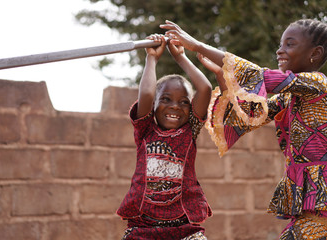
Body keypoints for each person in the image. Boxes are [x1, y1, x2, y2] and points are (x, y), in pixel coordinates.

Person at [161, 18, 327, 239]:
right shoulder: (287, 98)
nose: (280, 51)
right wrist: (222, 76)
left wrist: (198, 46)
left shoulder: (318, 84)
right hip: (313, 209)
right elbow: (247, 116)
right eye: (280, 44)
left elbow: (259, 76)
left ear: (314, 54)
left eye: (290, 44)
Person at [116, 34, 213, 240]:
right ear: (154, 106)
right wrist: (151, 58)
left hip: (184, 226)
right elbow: (148, 95)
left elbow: (205, 88)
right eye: (166, 99)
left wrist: (180, 57)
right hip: (143, 227)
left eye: (184, 102)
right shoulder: (145, 129)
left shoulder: (190, 130)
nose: (175, 107)